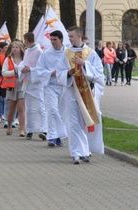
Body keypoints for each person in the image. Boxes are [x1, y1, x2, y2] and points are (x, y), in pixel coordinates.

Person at [63, 26, 105, 164]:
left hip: (86, 92)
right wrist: (67, 74)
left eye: (72, 36)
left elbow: (99, 74)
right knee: (74, 123)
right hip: (71, 91)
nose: (69, 39)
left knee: (85, 122)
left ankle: (85, 151)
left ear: (80, 36)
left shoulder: (90, 53)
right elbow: (59, 72)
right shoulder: (66, 53)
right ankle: (76, 153)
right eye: (68, 37)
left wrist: (84, 64)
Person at [29, 31, 69, 147]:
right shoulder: (46, 54)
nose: (52, 42)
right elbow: (39, 69)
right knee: (52, 110)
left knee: (61, 112)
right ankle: (51, 137)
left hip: (63, 85)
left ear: (61, 39)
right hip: (50, 85)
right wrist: (51, 73)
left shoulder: (67, 53)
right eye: (51, 40)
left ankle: (58, 136)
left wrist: (64, 74)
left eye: (55, 40)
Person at [18, 32, 47, 140]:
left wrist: (30, 69)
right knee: (29, 108)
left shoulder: (39, 52)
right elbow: (23, 63)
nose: (24, 42)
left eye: (24, 40)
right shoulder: (27, 51)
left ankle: (44, 129)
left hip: (37, 83)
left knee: (40, 107)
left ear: (27, 40)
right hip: (28, 82)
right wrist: (22, 68)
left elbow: (41, 67)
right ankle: (30, 129)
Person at [2, 40, 26, 136]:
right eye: (13, 47)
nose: (14, 49)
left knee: (21, 108)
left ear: (21, 49)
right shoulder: (8, 59)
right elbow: (4, 72)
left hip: (22, 85)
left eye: (17, 47)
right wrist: (14, 72)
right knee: (11, 108)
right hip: (11, 86)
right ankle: (9, 126)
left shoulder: (25, 59)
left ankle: (22, 129)